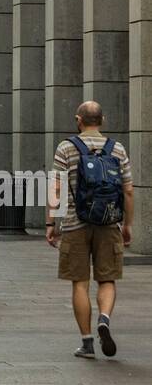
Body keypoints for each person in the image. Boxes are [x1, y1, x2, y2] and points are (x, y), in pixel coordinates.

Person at [47, 101, 133, 359]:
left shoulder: (66, 148)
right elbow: (128, 190)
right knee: (107, 279)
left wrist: (52, 224)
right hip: (109, 223)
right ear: (102, 120)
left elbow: (57, 189)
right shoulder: (116, 148)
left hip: (75, 224)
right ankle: (104, 319)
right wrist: (127, 225)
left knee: (80, 283)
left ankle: (86, 342)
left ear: (78, 120)